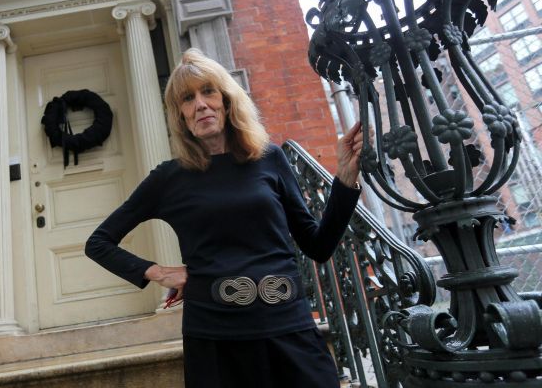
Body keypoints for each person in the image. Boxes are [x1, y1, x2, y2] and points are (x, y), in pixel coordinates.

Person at [85, 48, 363, 388]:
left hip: (287, 324)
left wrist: (346, 181)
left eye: (208, 92)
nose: (200, 104)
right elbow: (99, 242)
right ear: (181, 116)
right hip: (215, 337)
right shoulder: (169, 178)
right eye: (187, 99)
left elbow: (318, 245)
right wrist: (156, 272)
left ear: (227, 101)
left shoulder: (270, 159)